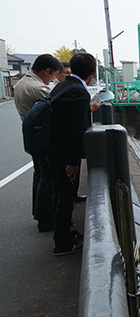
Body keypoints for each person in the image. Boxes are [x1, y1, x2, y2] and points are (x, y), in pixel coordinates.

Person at [48, 53, 96, 256]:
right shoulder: (78, 92)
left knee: (62, 194)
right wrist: (72, 162)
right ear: (92, 73)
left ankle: (65, 232)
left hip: (53, 148)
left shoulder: (63, 86)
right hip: (64, 153)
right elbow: (75, 130)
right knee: (66, 196)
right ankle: (62, 242)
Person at [14, 54, 62, 232]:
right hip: (41, 136)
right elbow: (59, 103)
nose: (53, 79)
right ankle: (45, 219)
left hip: (32, 135)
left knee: (40, 175)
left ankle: (40, 214)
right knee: (47, 177)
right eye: (54, 75)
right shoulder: (37, 87)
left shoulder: (22, 82)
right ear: (46, 71)